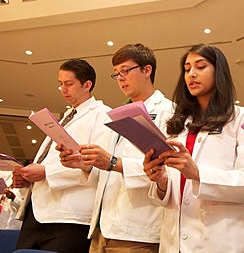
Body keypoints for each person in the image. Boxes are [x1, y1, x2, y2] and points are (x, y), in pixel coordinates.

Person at [143, 44, 244, 253]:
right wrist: (161, 181)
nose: (192, 74)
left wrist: (197, 174)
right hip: (174, 241)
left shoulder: (243, 118)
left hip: (221, 242)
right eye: (187, 69)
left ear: (219, 71)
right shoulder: (176, 124)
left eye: (201, 66)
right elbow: (173, 191)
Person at [60, 43, 173, 253]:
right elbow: (107, 170)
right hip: (102, 227)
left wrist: (114, 163)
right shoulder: (118, 114)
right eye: (116, 74)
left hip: (137, 231)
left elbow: (168, 170)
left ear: (147, 70)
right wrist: (85, 164)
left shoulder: (169, 112)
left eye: (125, 71)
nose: (120, 78)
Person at [12, 59, 113, 252]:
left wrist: (46, 173)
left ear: (87, 85)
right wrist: (27, 177)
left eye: (69, 83)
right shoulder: (67, 115)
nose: (63, 89)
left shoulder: (102, 115)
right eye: (60, 84)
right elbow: (46, 160)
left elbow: (97, 167)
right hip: (37, 212)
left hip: (69, 217)